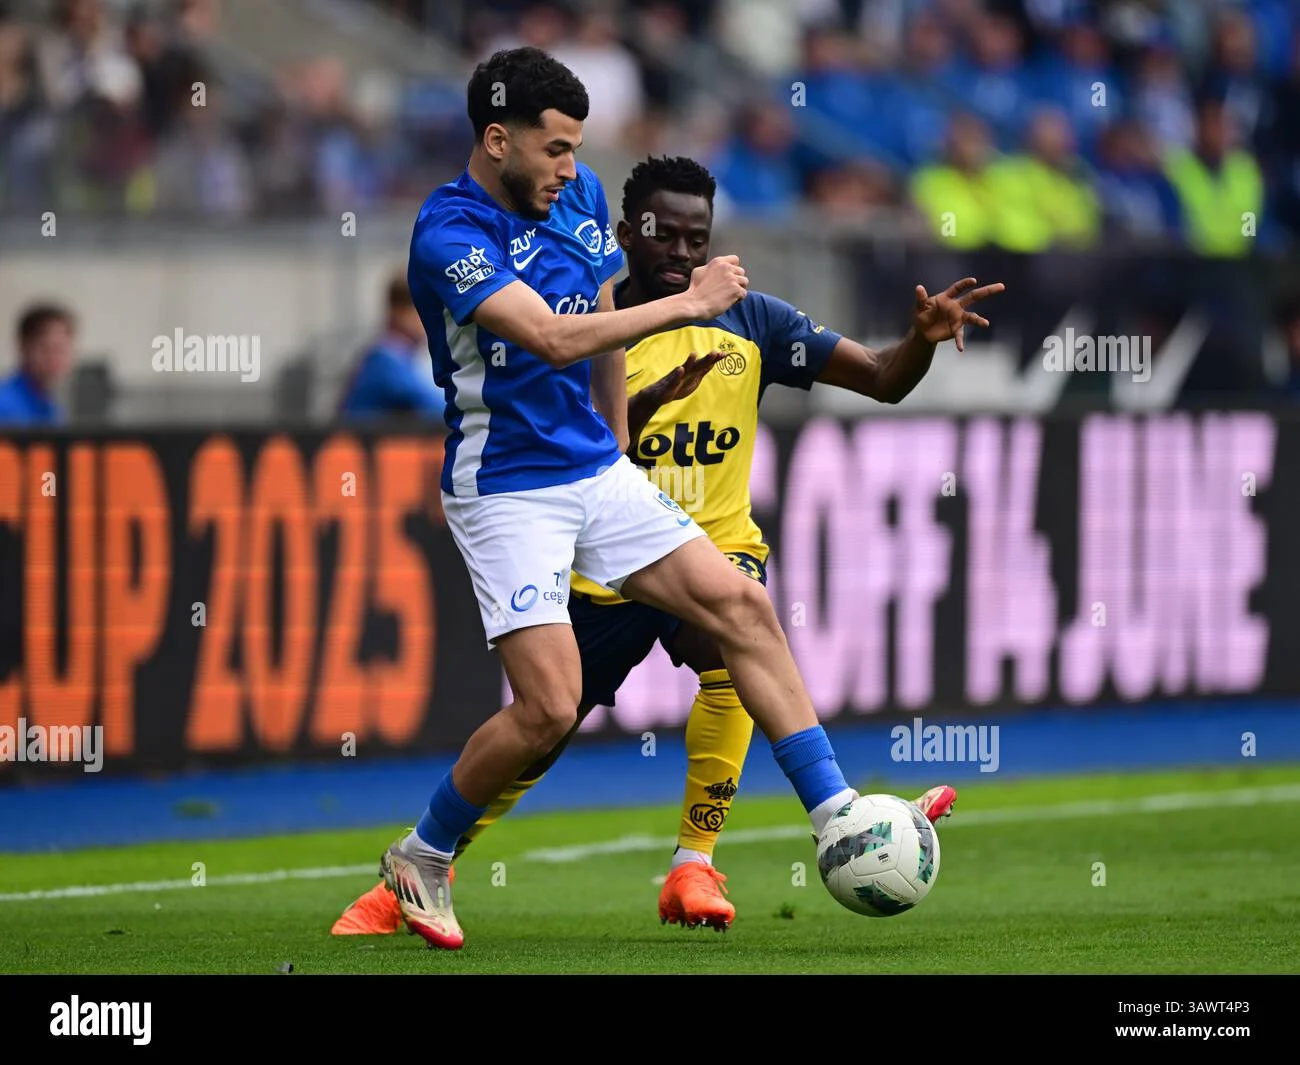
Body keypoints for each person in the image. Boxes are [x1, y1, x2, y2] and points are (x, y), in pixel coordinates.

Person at [334, 152, 1002, 939]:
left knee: (734, 629)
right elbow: (560, 409)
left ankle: (700, 858)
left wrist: (919, 340)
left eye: (697, 237)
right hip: (599, 565)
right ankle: (415, 867)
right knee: (540, 726)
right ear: (623, 235)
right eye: (663, 235)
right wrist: (634, 411)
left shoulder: (754, 320)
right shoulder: (589, 324)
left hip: (708, 544)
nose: (682, 252)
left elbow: (885, 379)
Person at [337, 272, 445, 421]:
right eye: (426, 309)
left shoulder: (400, 357)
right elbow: (439, 408)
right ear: (400, 312)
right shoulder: (384, 361)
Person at [0, 303, 76, 426]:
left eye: (62, 350)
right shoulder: (3, 404)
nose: (55, 358)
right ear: (23, 347)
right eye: (47, 349)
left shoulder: (53, 408)